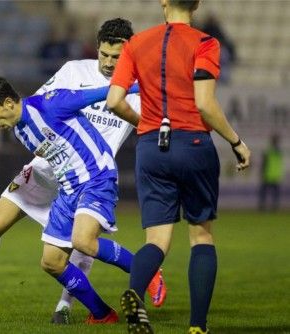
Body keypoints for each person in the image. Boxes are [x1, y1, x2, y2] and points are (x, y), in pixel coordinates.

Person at [0, 18, 166, 324]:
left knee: (83, 243)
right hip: (49, 174)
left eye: (115, 57)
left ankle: (71, 305)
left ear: (129, 53)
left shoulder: (139, 92)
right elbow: (27, 108)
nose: (107, 62)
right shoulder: (72, 72)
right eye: (103, 54)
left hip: (92, 173)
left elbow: (148, 126)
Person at [106, 1, 251, 333]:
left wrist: (145, 123)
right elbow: (204, 103)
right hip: (193, 144)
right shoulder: (205, 43)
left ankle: (135, 293)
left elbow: (114, 101)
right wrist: (236, 141)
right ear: (197, 3)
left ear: (163, 1)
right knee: (201, 236)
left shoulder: (135, 45)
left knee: (156, 240)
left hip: (151, 147)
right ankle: (197, 326)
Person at [0, 74, 140, 324]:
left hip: (94, 177)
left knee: (84, 242)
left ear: (9, 103)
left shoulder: (51, 104)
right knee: (52, 262)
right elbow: (8, 120)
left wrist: (148, 84)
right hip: (66, 187)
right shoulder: (17, 122)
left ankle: (148, 270)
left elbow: (106, 91)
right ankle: (102, 314)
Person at [258, 133, 284, 211]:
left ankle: (263, 206)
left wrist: (261, 172)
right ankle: (274, 207)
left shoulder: (268, 151)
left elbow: (264, 163)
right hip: (275, 175)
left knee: (264, 192)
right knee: (275, 193)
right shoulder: (279, 151)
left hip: (268, 174)